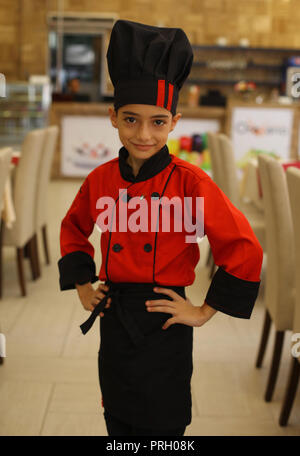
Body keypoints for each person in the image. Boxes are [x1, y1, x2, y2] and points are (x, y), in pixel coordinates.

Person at [58, 19, 263, 436]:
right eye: (131, 120)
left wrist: (203, 311)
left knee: (165, 424)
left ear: (175, 122)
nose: (144, 134)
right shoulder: (100, 180)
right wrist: (82, 284)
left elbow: (244, 248)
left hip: (166, 321)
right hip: (115, 315)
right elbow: (74, 227)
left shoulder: (193, 183)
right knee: (116, 415)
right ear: (113, 117)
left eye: (157, 122)